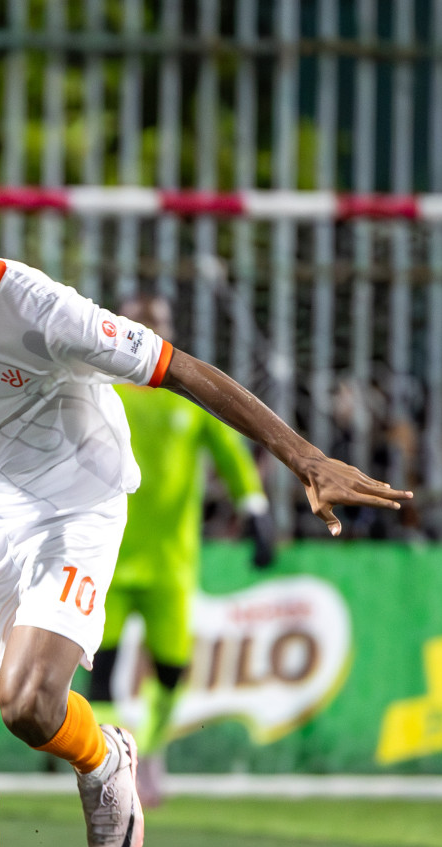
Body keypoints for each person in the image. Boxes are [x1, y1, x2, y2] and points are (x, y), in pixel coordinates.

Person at [0, 178, 410, 847]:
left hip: (73, 505)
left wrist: (307, 460)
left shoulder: (49, 313)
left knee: (27, 706)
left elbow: (184, 370)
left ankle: (102, 755)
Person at [86, 293, 276, 807]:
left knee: (171, 670)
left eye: (161, 321)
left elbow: (232, 456)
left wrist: (255, 511)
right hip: (109, 558)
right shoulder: (99, 390)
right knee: (102, 666)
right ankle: (112, 770)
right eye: (143, 320)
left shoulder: (189, 394)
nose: (152, 328)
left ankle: (147, 751)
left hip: (172, 563)